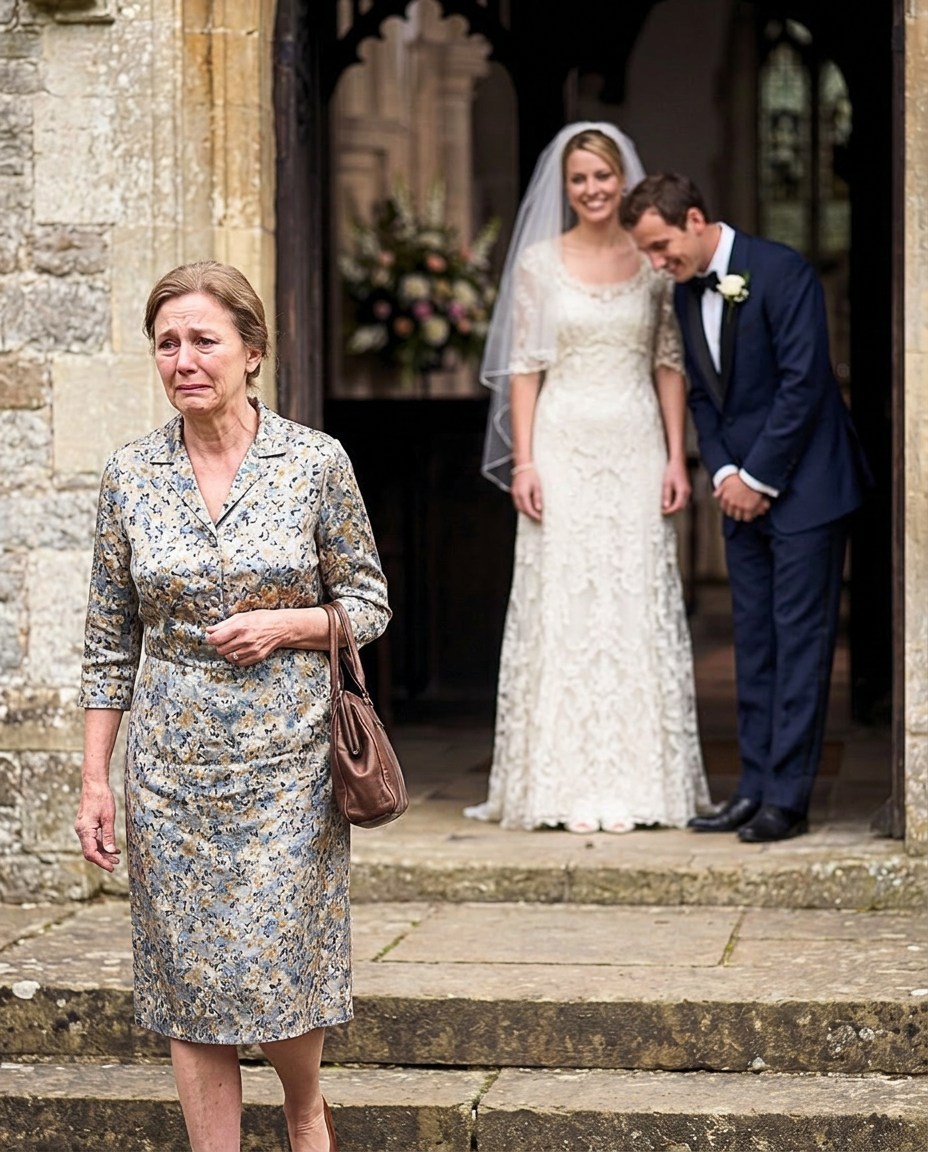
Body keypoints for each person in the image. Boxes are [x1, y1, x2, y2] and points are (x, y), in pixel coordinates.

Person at [74, 260, 390, 1152]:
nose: (183, 360)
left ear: (252, 352)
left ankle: (304, 1108)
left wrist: (288, 625)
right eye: (166, 343)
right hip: (170, 772)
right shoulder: (130, 474)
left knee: (277, 964)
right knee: (187, 983)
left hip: (289, 764)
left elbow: (369, 602)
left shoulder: (315, 462)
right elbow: (108, 642)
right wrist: (95, 779)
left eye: (203, 341)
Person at [465, 123, 710, 833]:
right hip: (562, 444)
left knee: (635, 597)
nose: (592, 189)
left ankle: (643, 784)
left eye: (603, 176)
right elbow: (524, 368)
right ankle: (555, 785)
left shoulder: (652, 256)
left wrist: (675, 455)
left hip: (636, 443)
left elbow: (668, 362)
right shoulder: (540, 263)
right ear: (564, 187)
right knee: (563, 598)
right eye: (579, 178)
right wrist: (525, 461)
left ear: (622, 179)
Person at [621, 173, 870, 843]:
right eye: (646, 252)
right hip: (739, 493)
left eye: (661, 246)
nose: (657, 262)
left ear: (694, 219)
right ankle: (752, 788)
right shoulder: (684, 290)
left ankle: (788, 800)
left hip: (809, 490)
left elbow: (804, 384)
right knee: (754, 644)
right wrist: (726, 471)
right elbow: (704, 396)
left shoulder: (782, 271)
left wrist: (757, 477)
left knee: (800, 644)